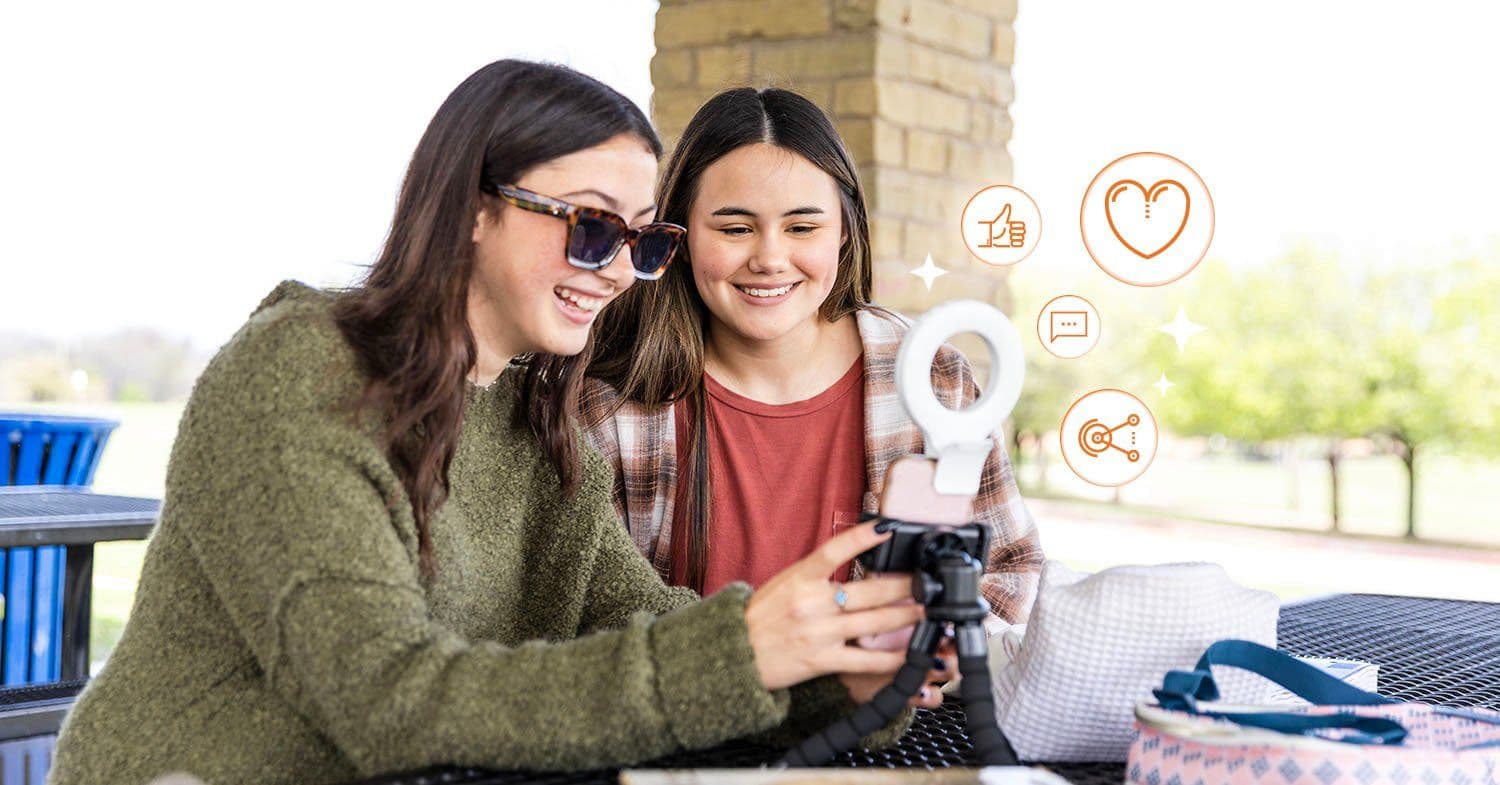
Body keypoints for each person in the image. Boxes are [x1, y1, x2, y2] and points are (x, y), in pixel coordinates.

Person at [48, 61, 928, 785]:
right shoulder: (302, 372)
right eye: (590, 226)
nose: (618, 272)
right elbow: (389, 702)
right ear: (473, 206)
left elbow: (651, 622)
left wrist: (840, 675)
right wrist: (744, 649)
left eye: (638, 242)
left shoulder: (533, 421)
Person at [581, 88, 1044, 652]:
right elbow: (588, 624)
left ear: (845, 231)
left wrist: (940, 649)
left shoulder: (935, 378)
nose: (770, 258)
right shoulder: (611, 403)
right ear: (678, 236)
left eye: (803, 228)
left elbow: (1015, 576)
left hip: (892, 730)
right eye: (734, 229)